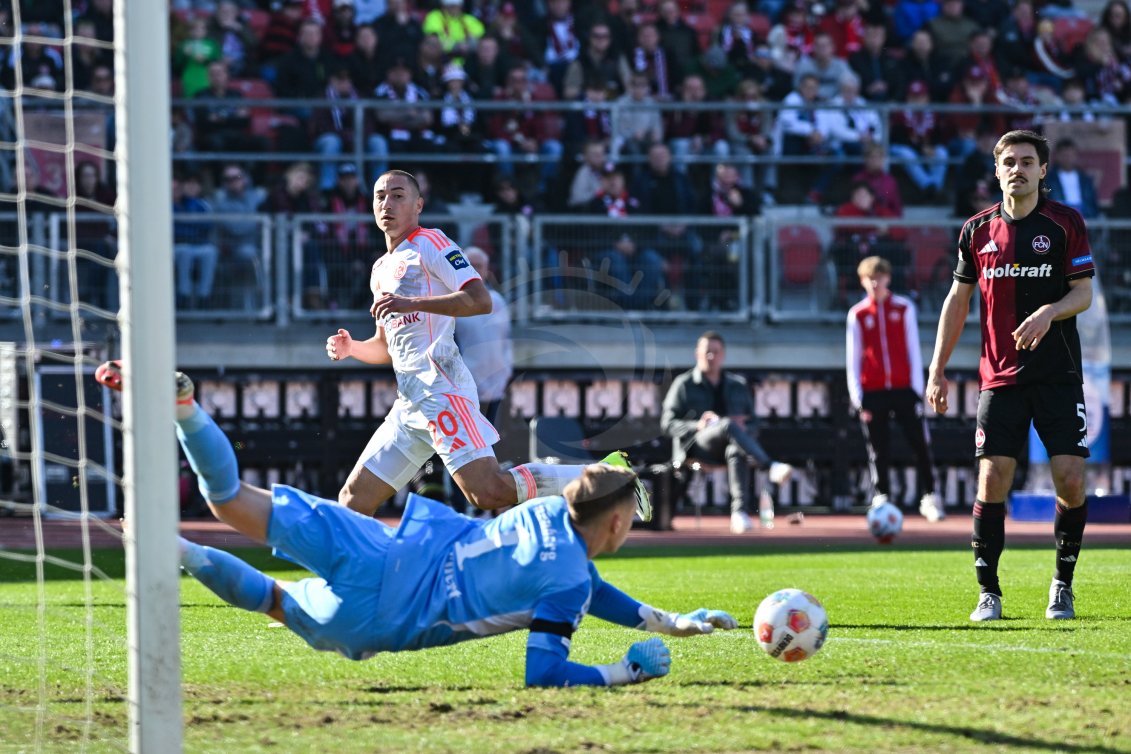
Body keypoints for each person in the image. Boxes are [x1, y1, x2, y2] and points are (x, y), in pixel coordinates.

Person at [92, 362, 737, 685]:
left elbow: (591, 588)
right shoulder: (568, 577)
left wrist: (670, 621)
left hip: (382, 542)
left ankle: (186, 413)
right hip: (385, 619)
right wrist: (623, 672)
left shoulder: (544, 510)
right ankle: (171, 548)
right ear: (619, 525)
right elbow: (543, 671)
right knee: (272, 601)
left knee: (231, 501)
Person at [326, 170, 649, 518]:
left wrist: (414, 303)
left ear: (418, 205)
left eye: (397, 195)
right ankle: (367, 573)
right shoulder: (380, 269)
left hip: (442, 392)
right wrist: (352, 348)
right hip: (409, 405)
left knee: (488, 491)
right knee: (353, 500)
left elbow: (480, 300)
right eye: (379, 196)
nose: (386, 203)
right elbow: (385, 346)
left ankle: (610, 476)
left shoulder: (432, 244)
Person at [925, 130, 1096, 622]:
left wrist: (1049, 312)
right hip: (999, 377)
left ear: (1044, 171)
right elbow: (957, 302)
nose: (1017, 169)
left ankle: (1062, 584)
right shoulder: (976, 230)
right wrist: (937, 369)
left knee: (1070, 479)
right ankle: (989, 592)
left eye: (1027, 161)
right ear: (996, 171)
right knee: (993, 477)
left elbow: (1082, 293)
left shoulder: (1065, 223)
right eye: (1008, 162)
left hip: (1059, 374)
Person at [661, 331, 793, 534]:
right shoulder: (684, 384)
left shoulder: (737, 385)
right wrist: (697, 425)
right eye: (707, 352)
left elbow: (754, 423)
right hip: (697, 446)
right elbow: (667, 424)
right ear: (697, 354)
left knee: (735, 448)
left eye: (715, 352)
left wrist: (743, 428)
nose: (711, 357)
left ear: (723, 354)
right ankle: (769, 465)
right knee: (726, 425)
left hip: (730, 447)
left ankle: (739, 513)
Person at [846, 256, 944, 521]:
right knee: (877, 447)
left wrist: (917, 389)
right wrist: (858, 396)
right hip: (873, 390)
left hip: (903, 388)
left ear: (888, 278)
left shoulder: (903, 308)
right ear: (863, 281)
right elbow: (853, 357)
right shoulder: (857, 314)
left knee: (919, 443)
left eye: (880, 277)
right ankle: (882, 496)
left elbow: (912, 349)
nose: (875, 283)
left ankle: (930, 495)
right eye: (870, 278)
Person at [454, 246, 513, 426]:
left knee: (492, 441)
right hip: (464, 389)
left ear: (487, 269)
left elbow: (505, 341)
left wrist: (506, 372)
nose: (474, 269)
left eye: (479, 265)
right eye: (470, 265)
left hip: (495, 387)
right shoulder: (451, 302)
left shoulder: (497, 301)